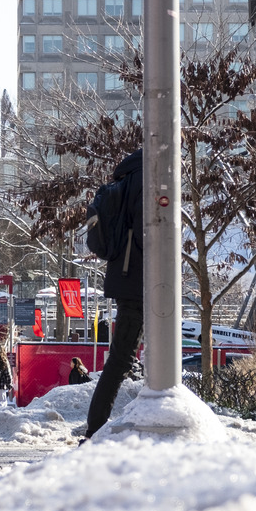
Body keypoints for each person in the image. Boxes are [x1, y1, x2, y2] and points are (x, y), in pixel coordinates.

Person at [86, 148, 144, 439]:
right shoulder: (146, 180)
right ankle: (95, 428)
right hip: (140, 280)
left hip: (126, 277)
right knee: (121, 360)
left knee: (123, 359)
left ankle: (99, 426)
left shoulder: (125, 180)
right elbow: (150, 230)